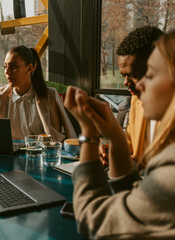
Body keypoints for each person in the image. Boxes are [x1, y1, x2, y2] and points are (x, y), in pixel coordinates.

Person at [64, 30, 175, 239]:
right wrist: (115, 137)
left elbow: (94, 221)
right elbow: (135, 200)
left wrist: (88, 133)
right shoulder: (139, 102)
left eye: (149, 74)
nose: (136, 84)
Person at [0, 45, 76, 141]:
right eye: (5, 66)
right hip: (6, 155)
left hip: (41, 154)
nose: (7, 72)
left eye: (13, 67)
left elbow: (70, 135)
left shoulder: (50, 95)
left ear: (30, 68)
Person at [116, 26, 163, 164]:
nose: (126, 83)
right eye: (124, 76)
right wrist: (114, 149)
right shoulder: (137, 99)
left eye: (134, 75)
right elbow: (130, 140)